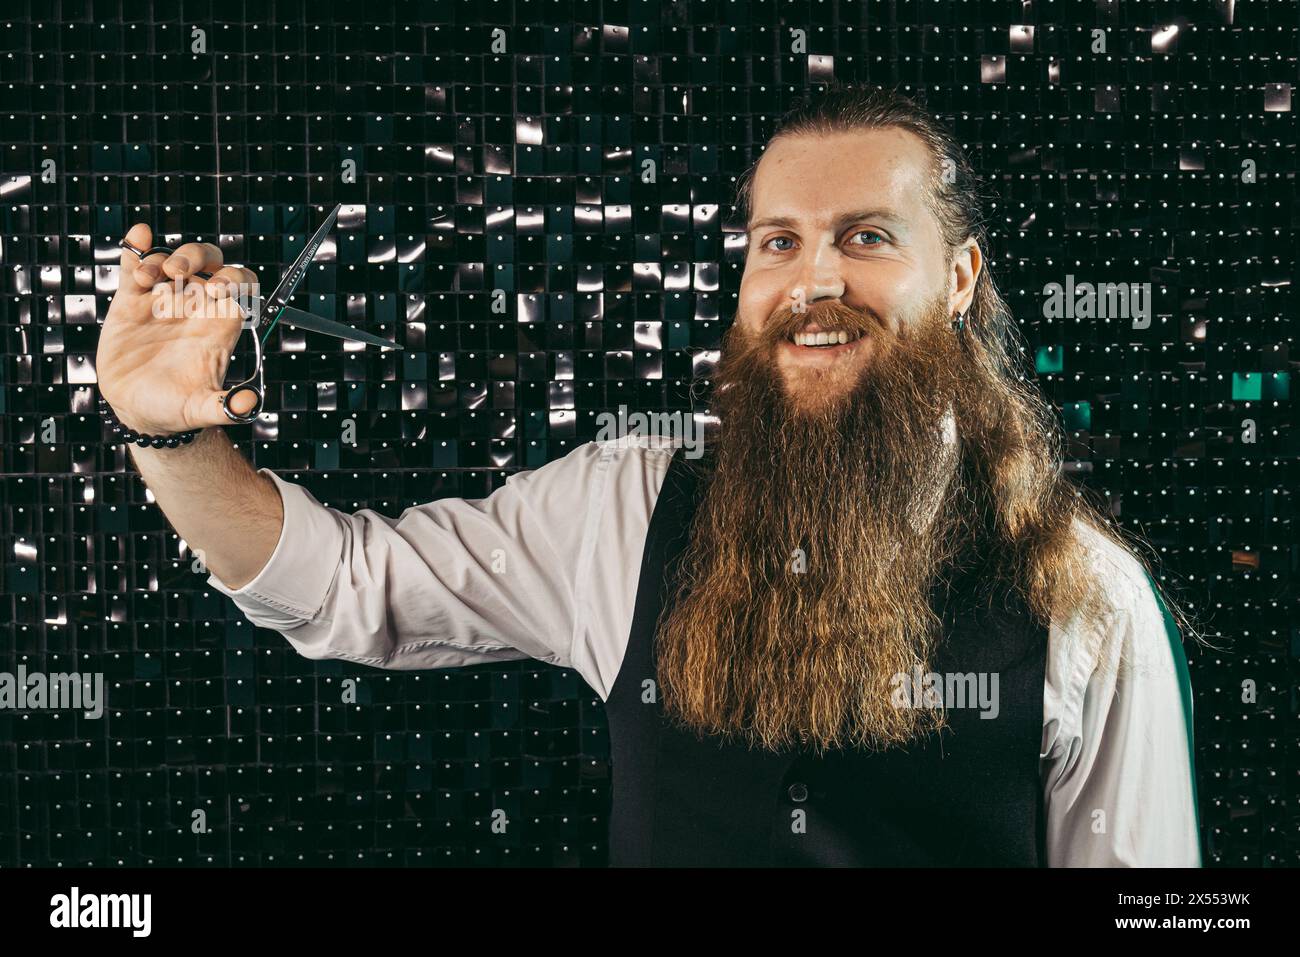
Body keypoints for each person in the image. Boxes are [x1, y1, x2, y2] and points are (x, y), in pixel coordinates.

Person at [95, 83, 1202, 867]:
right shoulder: (624, 501)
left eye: (865, 235)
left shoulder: (1084, 598)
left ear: (958, 278)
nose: (815, 279)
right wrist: (168, 436)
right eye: (778, 242)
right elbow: (344, 586)